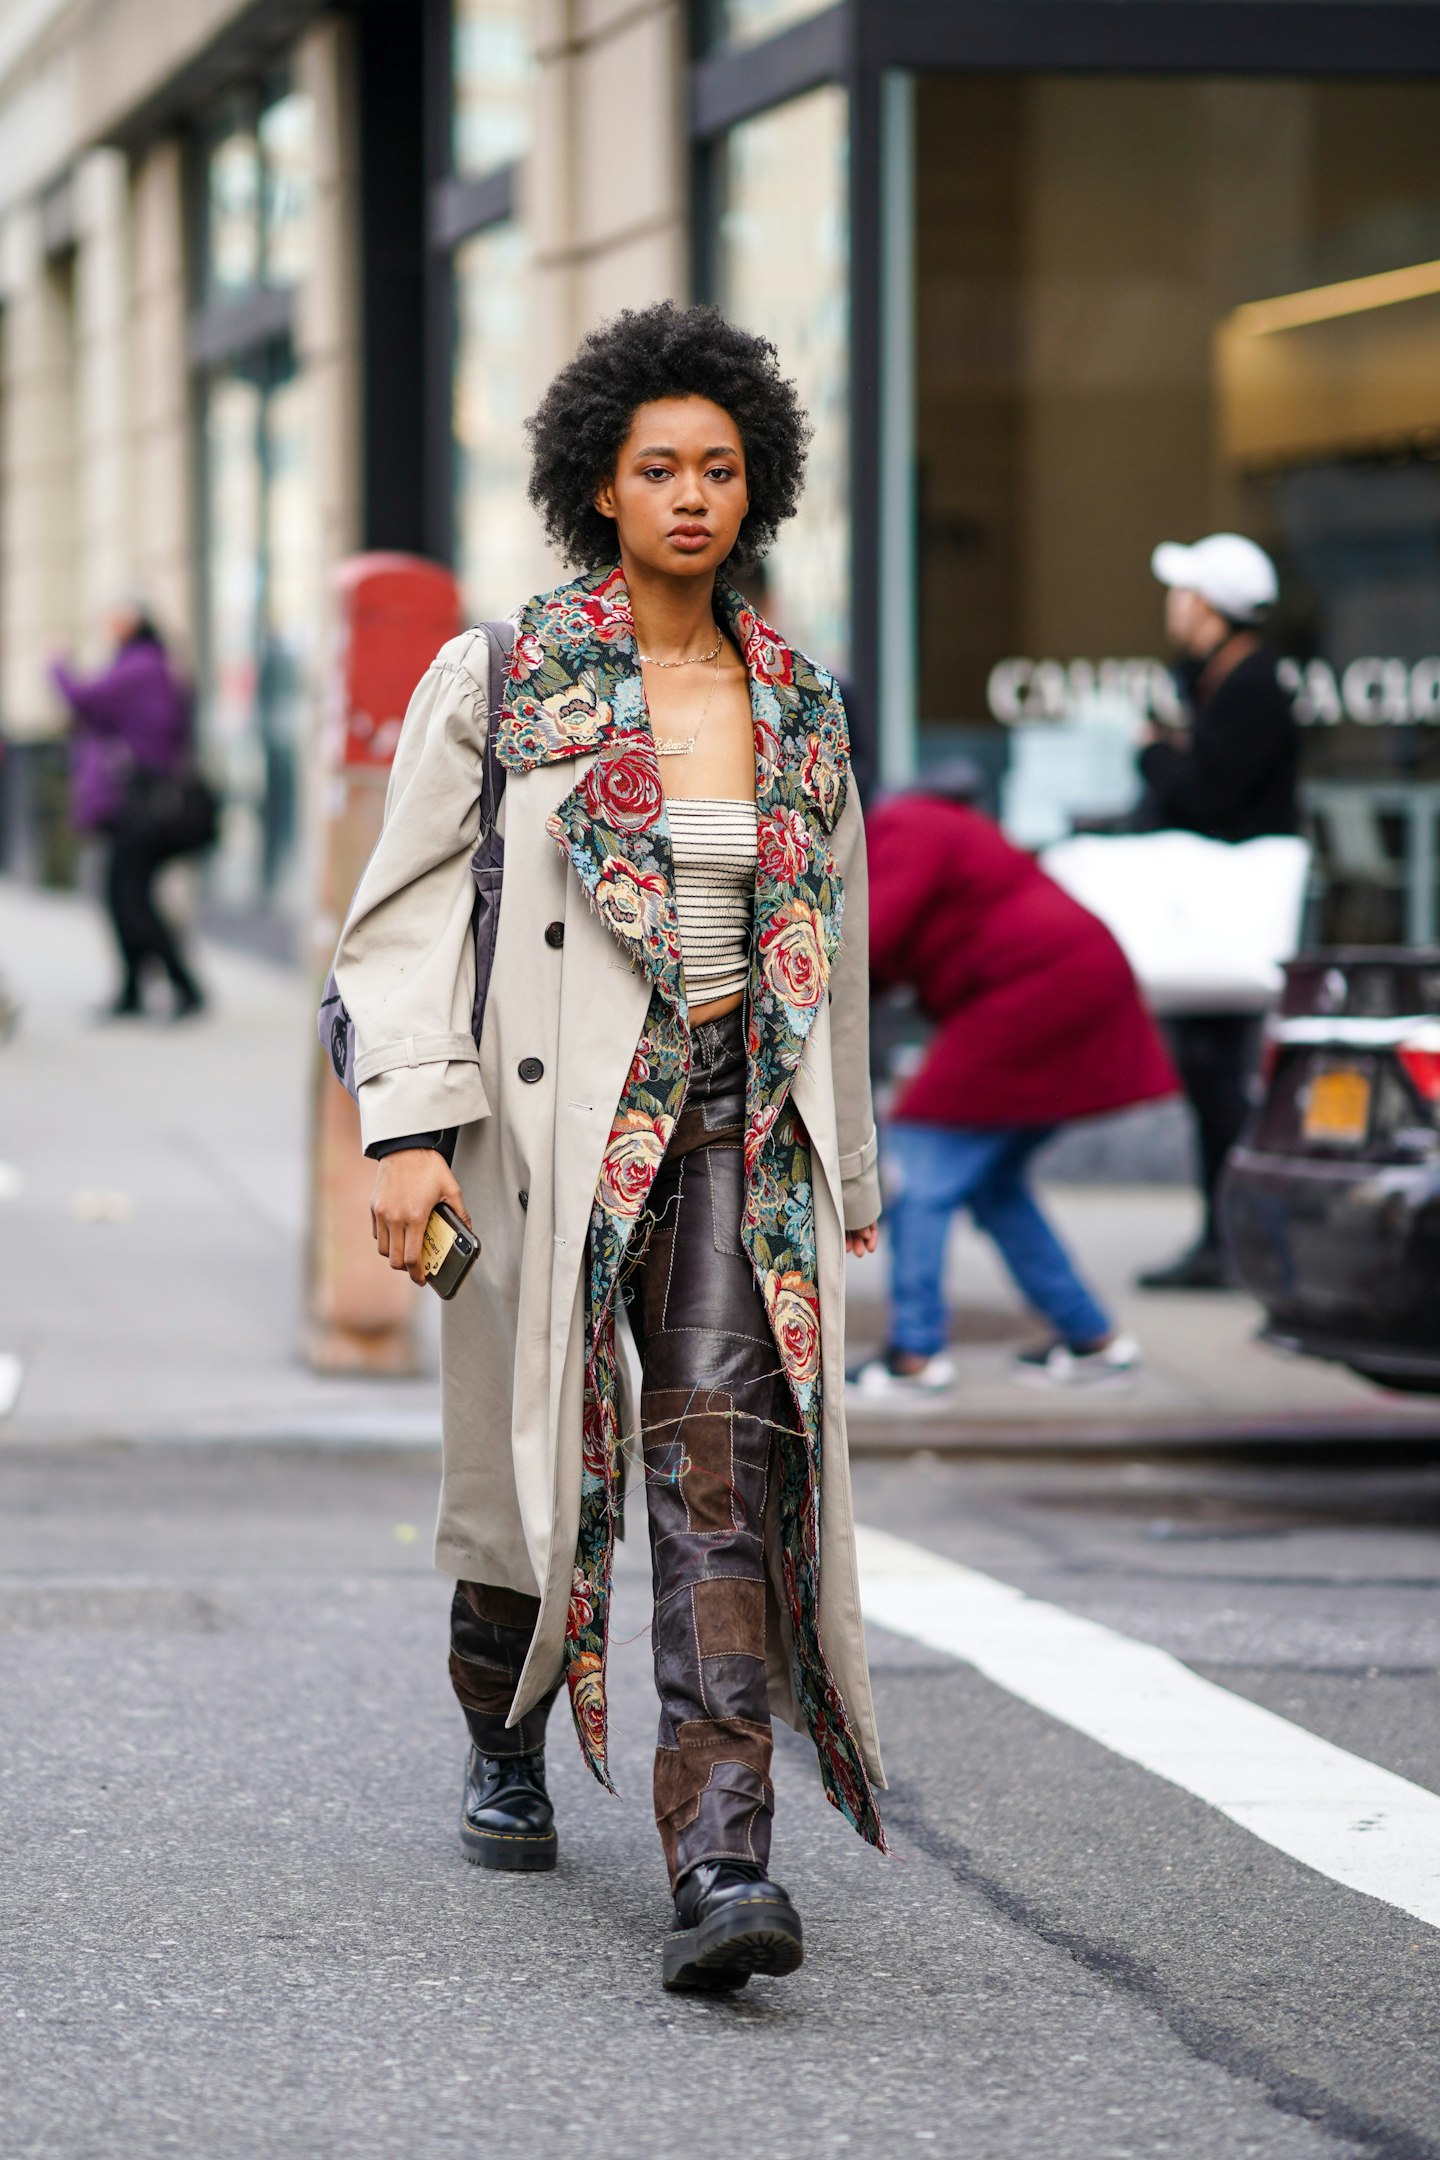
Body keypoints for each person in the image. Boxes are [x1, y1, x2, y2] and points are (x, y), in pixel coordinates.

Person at [330, 302, 885, 1992]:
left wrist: (843, 1169)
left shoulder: (797, 701)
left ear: (758, 485)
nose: (693, 496)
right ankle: (501, 1729)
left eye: (721, 467)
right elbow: (402, 914)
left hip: (729, 1132)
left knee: (720, 1476)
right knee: (528, 1478)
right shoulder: (506, 677)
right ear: (601, 484)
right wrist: (408, 1130)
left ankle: (723, 1864)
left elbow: (834, 955)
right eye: (660, 468)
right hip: (545, 1131)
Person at [850, 782, 1177, 1396]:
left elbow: (864, 941)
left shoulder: (903, 826)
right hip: (1059, 982)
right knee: (993, 1186)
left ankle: (915, 1355)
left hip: (1038, 988)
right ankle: (1093, 1338)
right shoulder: (921, 825)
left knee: (922, 1160)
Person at [1136, 533, 1300, 1290]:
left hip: (1228, 920)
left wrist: (1156, 754)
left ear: (1209, 610)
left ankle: (1232, 1242)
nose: (1174, 606)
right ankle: (1227, 1238)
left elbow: (1210, 796)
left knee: (1221, 1085)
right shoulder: (1225, 681)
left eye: (1186, 594)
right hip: (1219, 919)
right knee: (1213, 1083)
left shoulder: (1252, 686)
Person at [52, 606, 205, 1018]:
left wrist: (58, 664)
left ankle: (184, 987)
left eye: (117, 619)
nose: (109, 626)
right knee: (123, 897)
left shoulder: (141, 667)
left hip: (140, 803)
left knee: (130, 899)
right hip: (135, 802)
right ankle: (136, 989)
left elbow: (84, 697)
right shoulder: (146, 666)